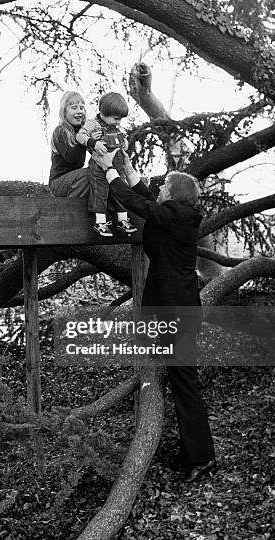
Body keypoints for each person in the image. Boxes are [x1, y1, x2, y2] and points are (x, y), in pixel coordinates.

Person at [91, 148, 217, 484]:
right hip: (179, 309)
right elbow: (148, 198)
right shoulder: (177, 215)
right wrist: (129, 170)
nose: (158, 188)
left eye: (164, 187)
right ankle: (196, 452)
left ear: (174, 196)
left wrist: (108, 171)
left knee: (186, 383)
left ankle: (203, 457)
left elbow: (139, 205)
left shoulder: (172, 217)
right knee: (182, 379)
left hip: (175, 312)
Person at [77, 92, 137, 237]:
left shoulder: (115, 126)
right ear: (104, 112)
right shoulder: (93, 123)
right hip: (99, 165)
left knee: (120, 190)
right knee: (100, 192)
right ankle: (100, 222)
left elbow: (119, 140)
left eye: (120, 119)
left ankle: (123, 220)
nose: (118, 122)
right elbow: (80, 136)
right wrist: (94, 142)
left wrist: (125, 142)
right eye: (116, 118)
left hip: (116, 165)